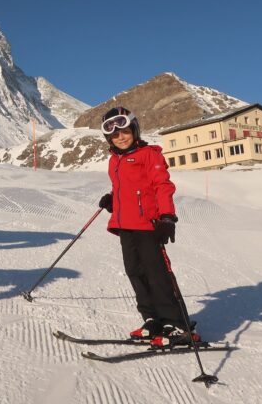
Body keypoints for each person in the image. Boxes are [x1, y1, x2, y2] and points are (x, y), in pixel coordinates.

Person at [97, 106, 200, 347]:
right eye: (114, 134)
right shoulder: (114, 161)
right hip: (125, 225)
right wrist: (114, 198)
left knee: (157, 275)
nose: (120, 137)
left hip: (148, 224)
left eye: (125, 131)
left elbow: (162, 186)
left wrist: (167, 217)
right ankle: (152, 319)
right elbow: (129, 187)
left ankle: (176, 324)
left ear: (135, 129)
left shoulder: (149, 154)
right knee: (135, 272)